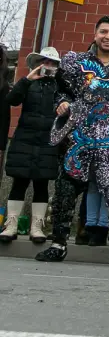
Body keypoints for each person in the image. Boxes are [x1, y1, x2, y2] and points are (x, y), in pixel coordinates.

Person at [36, 16, 109, 265]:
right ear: (95, 33)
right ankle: (58, 244)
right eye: (103, 31)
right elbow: (62, 91)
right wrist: (62, 103)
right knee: (66, 191)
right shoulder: (76, 63)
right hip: (79, 136)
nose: (107, 36)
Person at [2, 48, 62, 244]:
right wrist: (27, 79)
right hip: (24, 138)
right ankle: (10, 225)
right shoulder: (29, 82)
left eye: (53, 63)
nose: (49, 66)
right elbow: (11, 100)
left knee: (42, 182)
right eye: (45, 62)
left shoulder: (59, 86)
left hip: (47, 140)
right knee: (19, 182)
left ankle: (37, 227)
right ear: (39, 63)